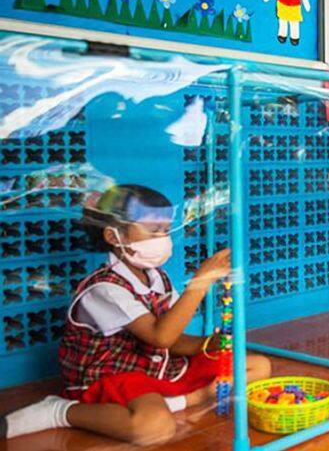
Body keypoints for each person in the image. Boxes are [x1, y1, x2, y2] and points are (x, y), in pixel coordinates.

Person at [1, 185, 271, 445]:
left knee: (258, 366)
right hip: (112, 375)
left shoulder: (157, 278)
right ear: (112, 236)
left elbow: (173, 340)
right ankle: (61, 411)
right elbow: (161, 337)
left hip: (157, 367)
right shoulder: (104, 289)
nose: (163, 239)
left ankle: (176, 399)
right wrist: (201, 281)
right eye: (153, 231)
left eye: (165, 230)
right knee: (153, 428)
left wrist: (206, 346)